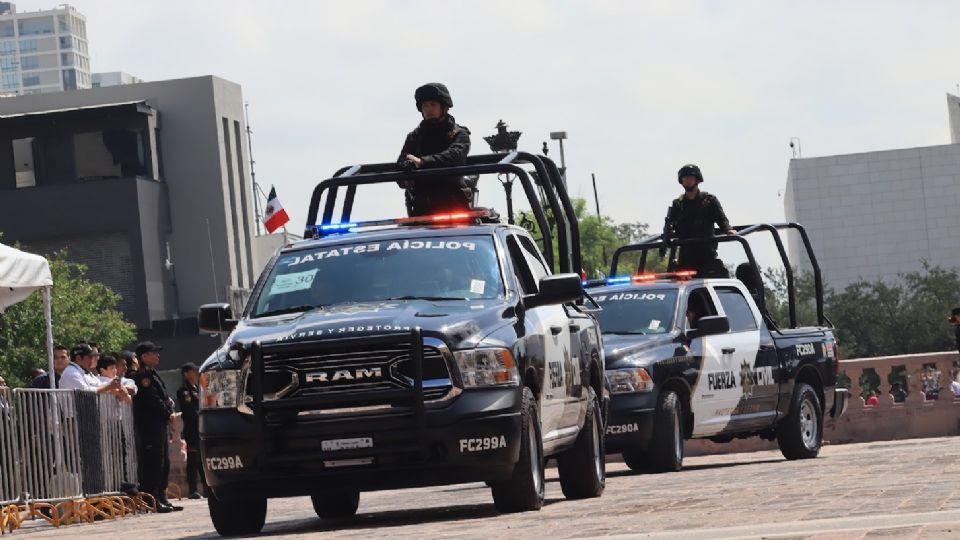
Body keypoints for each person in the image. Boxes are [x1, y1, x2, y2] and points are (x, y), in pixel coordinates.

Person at [397, 82, 473, 216]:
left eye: (433, 105)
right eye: (425, 105)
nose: (428, 109)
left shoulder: (459, 134)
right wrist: (406, 168)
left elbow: (454, 155)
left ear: (443, 107)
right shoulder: (414, 137)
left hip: (453, 203)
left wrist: (423, 162)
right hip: (422, 206)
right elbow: (402, 161)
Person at [132, 341, 182, 513]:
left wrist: (169, 407)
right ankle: (151, 498)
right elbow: (152, 399)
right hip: (149, 425)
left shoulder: (153, 374)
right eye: (154, 353)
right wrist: (167, 413)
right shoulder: (142, 376)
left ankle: (161, 495)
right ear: (144, 356)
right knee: (153, 462)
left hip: (159, 424)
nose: (158, 355)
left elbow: (163, 396)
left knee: (163, 462)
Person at [663, 164, 736, 278]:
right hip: (686, 255)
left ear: (697, 179)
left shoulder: (709, 201)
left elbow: (722, 220)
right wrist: (667, 236)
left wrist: (728, 230)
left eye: (690, 177)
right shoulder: (678, 204)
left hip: (706, 254)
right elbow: (670, 225)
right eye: (684, 178)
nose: (687, 180)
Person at [177, 363, 204, 499]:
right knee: (193, 459)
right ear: (186, 374)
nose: (196, 374)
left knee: (202, 459)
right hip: (193, 428)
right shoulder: (184, 391)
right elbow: (190, 411)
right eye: (193, 371)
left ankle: (205, 486)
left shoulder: (198, 389)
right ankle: (193, 489)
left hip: (201, 428)